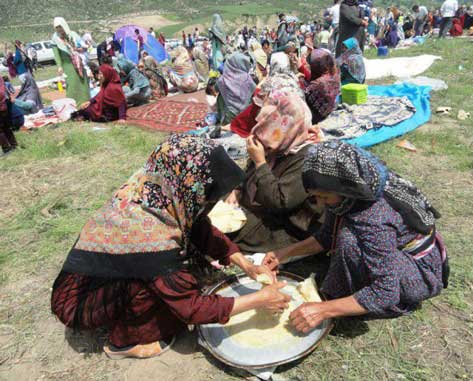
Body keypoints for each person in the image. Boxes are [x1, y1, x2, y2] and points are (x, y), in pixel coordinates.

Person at [51, 135, 288, 359]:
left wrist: (246, 265)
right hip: (79, 304)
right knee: (168, 306)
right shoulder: (148, 234)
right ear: (189, 184)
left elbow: (199, 228)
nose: (210, 203)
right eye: (209, 196)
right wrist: (260, 299)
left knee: (165, 276)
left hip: (96, 284)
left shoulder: (151, 191)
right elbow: (191, 308)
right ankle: (126, 341)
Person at [263, 141, 449, 331]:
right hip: (391, 252)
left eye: (324, 197)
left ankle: (380, 301)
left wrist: (324, 310)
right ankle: (351, 292)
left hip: (416, 271)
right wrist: (282, 253)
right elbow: (328, 236)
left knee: (349, 240)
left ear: (346, 190)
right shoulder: (352, 190)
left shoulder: (375, 218)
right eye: (315, 196)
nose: (320, 202)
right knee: (347, 237)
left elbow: (385, 291)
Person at [229, 90, 324, 253]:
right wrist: (237, 189)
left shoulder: (307, 157)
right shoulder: (281, 147)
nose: (266, 148)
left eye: (269, 145)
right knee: (212, 206)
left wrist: (260, 162)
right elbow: (250, 170)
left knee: (228, 234)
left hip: (288, 223)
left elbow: (281, 202)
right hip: (265, 208)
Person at [52, 17, 90, 107]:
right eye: (57, 28)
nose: (59, 30)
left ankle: (85, 102)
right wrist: (59, 66)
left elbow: (82, 46)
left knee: (83, 83)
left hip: (79, 64)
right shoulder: (55, 39)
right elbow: (56, 55)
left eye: (60, 27)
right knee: (72, 85)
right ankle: (73, 105)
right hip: (67, 66)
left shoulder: (73, 35)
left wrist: (81, 49)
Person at [216, 52, 256, 125]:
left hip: (228, 117)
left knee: (221, 96)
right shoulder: (247, 78)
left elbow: (216, 89)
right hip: (245, 115)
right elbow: (254, 91)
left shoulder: (222, 79)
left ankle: (221, 120)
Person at [305, 49, 340, 124]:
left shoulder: (317, 84)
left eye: (310, 64)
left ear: (316, 65)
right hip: (331, 110)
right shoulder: (334, 75)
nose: (308, 66)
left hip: (318, 118)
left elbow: (304, 96)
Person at [0, 76, 18, 154]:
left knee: (3, 128)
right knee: (6, 127)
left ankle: (7, 149)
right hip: (4, 104)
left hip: (2, 105)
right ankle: (14, 145)